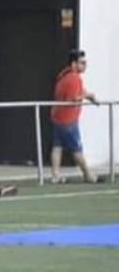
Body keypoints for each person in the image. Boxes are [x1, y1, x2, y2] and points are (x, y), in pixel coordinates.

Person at [50, 49, 98, 184]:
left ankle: (55, 176)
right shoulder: (74, 78)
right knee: (77, 149)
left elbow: (80, 91)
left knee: (57, 146)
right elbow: (74, 98)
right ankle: (87, 175)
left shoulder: (64, 75)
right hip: (68, 120)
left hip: (57, 118)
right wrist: (87, 96)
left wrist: (89, 96)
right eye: (82, 63)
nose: (84, 65)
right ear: (73, 64)